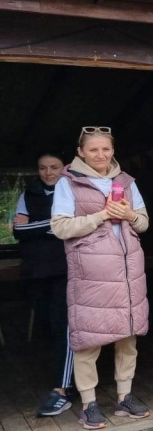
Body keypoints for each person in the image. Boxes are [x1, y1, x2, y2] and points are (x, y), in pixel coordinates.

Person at [51, 127, 150, 430]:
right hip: (92, 276)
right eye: (93, 149)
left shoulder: (126, 182)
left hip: (128, 272)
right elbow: (60, 227)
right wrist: (102, 216)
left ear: (112, 150)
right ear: (80, 151)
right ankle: (89, 404)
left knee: (127, 336)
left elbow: (144, 223)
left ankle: (124, 397)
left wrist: (129, 215)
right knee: (88, 341)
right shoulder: (69, 183)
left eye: (105, 149)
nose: (101, 155)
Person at [13, 150, 73, 416]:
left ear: (65, 167)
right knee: (46, 327)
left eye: (54, 167)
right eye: (42, 168)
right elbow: (17, 231)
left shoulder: (73, 191)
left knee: (65, 327)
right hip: (36, 272)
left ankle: (63, 388)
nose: (48, 173)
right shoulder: (28, 195)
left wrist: (37, 227)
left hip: (65, 270)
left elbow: (76, 226)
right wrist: (54, 226)